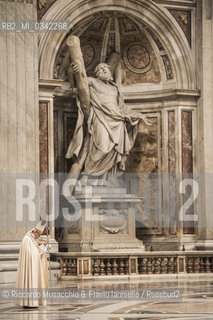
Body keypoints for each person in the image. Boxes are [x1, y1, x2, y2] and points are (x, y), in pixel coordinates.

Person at [65, 62, 151, 189]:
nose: (105, 71)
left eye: (107, 69)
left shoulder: (114, 88)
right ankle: (86, 176)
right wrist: (72, 71)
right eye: (102, 69)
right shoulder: (93, 82)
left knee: (116, 151)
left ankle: (108, 178)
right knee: (102, 148)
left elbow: (121, 108)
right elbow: (77, 84)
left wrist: (138, 115)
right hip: (101, 118)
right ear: (97, 73)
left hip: (117, 122)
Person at [15, 221, 49, 308]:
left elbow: (36, 251)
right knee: (28, 282)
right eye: (39, 235)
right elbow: (32, 254)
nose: (39, 237)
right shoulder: (27, 239)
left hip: (33, 267)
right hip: (29, 268)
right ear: (35, 232)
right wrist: (43, 246)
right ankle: (27, 302)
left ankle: (32, 302)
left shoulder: (33, 240)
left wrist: (44, 245)